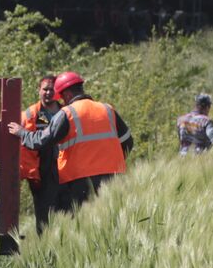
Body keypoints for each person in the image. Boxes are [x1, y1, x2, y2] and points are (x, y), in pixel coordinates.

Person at [8, 71, 132, 215]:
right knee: (109, 219)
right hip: (112, 176)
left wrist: (22, 133)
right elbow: (127, 142)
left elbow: (42, 140)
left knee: (84, 222)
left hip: (81, 180)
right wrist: (111, 162)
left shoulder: (67, 113)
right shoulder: (107, 109)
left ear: (66, 95)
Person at [18, 75, 61, 234]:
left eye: (52, 89)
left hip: (65, 168)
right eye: (45, 89)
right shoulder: (31, 114)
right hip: (42, 170)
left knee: (65, 210)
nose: (48, 92)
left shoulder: (66, 111)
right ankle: (45, 248)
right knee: (43, 213)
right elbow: (23, 145)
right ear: (39, 91)